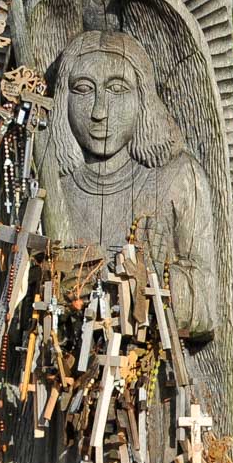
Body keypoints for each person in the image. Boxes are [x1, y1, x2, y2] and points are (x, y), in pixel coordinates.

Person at [48, 28, 216, 340]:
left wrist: (148, 279)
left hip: (152, 366)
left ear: (143, 98)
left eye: (117, 89)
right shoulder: (51, 188)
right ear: (64, 99)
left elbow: (206, 305)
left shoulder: (179, 178)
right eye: (84, 90)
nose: (99, 112)